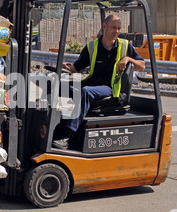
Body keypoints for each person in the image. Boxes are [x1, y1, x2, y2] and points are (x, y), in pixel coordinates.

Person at [52, 14, 146, 150]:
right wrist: (67, 67)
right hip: (92, 83)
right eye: (114, 27)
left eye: (119, 28)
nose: (117, 31)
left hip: (110, 88)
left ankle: (67, 135)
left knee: (85, 92)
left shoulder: (125, 46)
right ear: (104, 26)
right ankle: (56, 126)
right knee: (62, 85)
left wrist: (128, 59)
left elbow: (142, 66)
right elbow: (76, 68)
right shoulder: (92, 46)